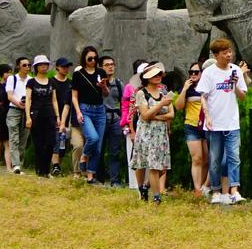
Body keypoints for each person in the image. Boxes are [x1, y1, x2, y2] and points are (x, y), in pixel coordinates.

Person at [198, 39, 250, 204]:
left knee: (234, 157)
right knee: (215, 160)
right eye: (225, 52)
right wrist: (207, 116)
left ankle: (235, 191)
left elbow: (243, 97)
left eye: (230, 51)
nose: (229, 55)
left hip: (232, 123)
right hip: (214, 125)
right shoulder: (209, 73)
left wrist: (235, 86)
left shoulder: (236, 71)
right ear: (216, 55)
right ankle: (215, 191)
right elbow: (203, 97)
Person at [131, 62, 176, 203]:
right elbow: (144, 115)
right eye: (154, 75)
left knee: (158, 166)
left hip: (160, 133)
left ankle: (148, 188)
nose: (158, 77)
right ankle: (150, 193)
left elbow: (171, 114)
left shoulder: (163, 92)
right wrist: (161, 105)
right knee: (143, 163)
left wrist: (155, 116)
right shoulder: (141, 93)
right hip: (145, 133)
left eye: (159, 74)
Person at [70, 45, 106, 182]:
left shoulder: (100, 72)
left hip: (100, 109)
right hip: (85, 109)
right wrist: (78, 112)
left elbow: (106, 94)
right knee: (93, 137)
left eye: (95, 58)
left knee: (98, 146)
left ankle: (90, 175)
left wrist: (103, 86)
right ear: (84, 59)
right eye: (89, 58)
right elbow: (74, 96)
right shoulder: (78, 74)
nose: (92, 60)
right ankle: (84, 155)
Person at [26, 55, 59, 176]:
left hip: (49, 115)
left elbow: (54, 100)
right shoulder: (31, 82)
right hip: (36, 114)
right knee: (39, 144)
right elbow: (28, 100)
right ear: (36, 67)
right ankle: (39, 171)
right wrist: (28, 117)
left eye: (46, 64)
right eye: (41, 64)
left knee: (51, 143)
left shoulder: (51, 82)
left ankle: (46, 170)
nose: (44, 66)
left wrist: (58, 117)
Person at [180, 62, 208, 198]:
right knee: (197, 158)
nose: (193, 74)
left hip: (207, 125)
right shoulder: (188, 88)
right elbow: (179, 106)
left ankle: (204, 187)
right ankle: (197, 189)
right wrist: (184, 90)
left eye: (196, 72)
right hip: (191, 125)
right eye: (191, 72)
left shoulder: (207, 86)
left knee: (207, 159)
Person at [46, 55, 76, 177]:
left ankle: (57, 166)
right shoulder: (51, 82)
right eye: (63, 66)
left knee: (63, 144)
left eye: (67, 67)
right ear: (57, 67)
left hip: (68, 117)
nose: (66, 69)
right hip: (53, 116)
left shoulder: (70, 83)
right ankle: (55, 166)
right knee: (56, 142)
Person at [100, 55, 127, 186]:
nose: (110, 67)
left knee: (114, 150)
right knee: (99, 148)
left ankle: (114, 180)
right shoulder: (98, 83)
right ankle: (99, 176)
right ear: (101, 67)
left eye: (112, 64)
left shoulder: (118, 83)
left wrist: (123, 120)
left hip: (115, 118)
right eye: (107, 65)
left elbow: (123, 103)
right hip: (101, 117)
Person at [4, 55, 32, 174]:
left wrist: (26, 106)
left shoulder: (31, 80)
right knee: (14, 138)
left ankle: (19, 164)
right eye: (24, 65)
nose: (27, 67)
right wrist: (19, 103)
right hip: (14, 110)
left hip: (27, 111)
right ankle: (15, 165)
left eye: (28, 65)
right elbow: (9, 96)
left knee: (23, 139)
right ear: (18, 66)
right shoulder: (12, 79)